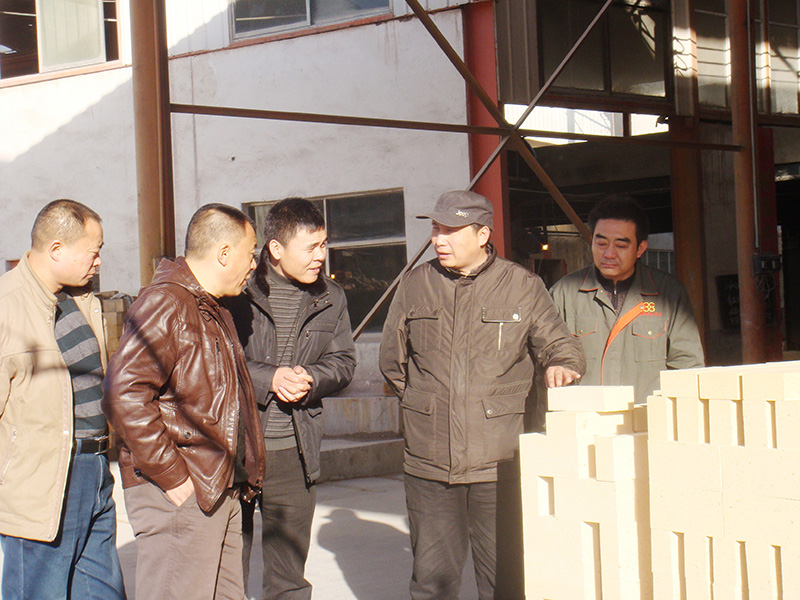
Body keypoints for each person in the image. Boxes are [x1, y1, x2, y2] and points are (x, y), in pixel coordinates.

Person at [379, 190, 585, 600]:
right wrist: (427, 407)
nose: (438, 239)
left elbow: (560, 344)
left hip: (499, 463)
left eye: (450, 230)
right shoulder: (415, 285)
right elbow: (392, 362)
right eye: (436, 229)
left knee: (505, 582)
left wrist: (562, 365)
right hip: (430, 464)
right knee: (431, 584)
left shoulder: (522, 286)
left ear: (483, 235)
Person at [102, 204, 265, 600]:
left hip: (217, 486)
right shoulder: (167, 302)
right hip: (182, 490)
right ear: (224, 252)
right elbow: (123, 392)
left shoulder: (209, 305)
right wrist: (171, 473)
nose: (254, 264)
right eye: (251, 253)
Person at [226, 198, 356, 600]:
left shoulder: (330, 296)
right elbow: (220, 359)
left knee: (289, 579)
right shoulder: (237, 290)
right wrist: (271, 378)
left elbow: (344, 361)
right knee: (227, 572)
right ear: (276, 249)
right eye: (311, 247)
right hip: (235, 450)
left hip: (293, 453)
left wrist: (311, 378)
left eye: (324, 244)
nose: (321, 256)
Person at [0, 199, 125, 599]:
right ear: (56, 249)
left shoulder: (82, 300)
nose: (99, 262)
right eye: (93, 251)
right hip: (39, 486)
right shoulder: (6, 308)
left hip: (95, 472)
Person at [550, 195, 705, 404]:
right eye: (601, 243)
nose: (609, 254)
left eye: (621, 246)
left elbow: (687, 366)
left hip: (648, 418)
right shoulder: (564, 294)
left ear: (640, 248)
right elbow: (546, 358)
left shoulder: (668, 294)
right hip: (587, 418)